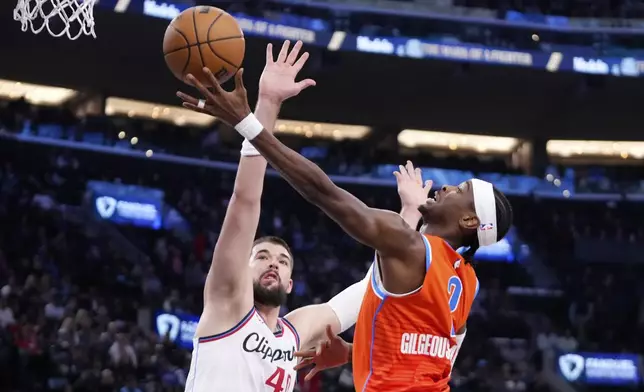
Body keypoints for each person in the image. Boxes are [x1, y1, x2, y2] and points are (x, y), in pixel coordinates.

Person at [177, 65, 513, 391]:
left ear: (292, 282)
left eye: (282, 260)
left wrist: (249, 122)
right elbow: (245, 202)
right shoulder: (466, 282)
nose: (446, 187)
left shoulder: (297, 330)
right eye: (262, 256)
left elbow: (326, 194)